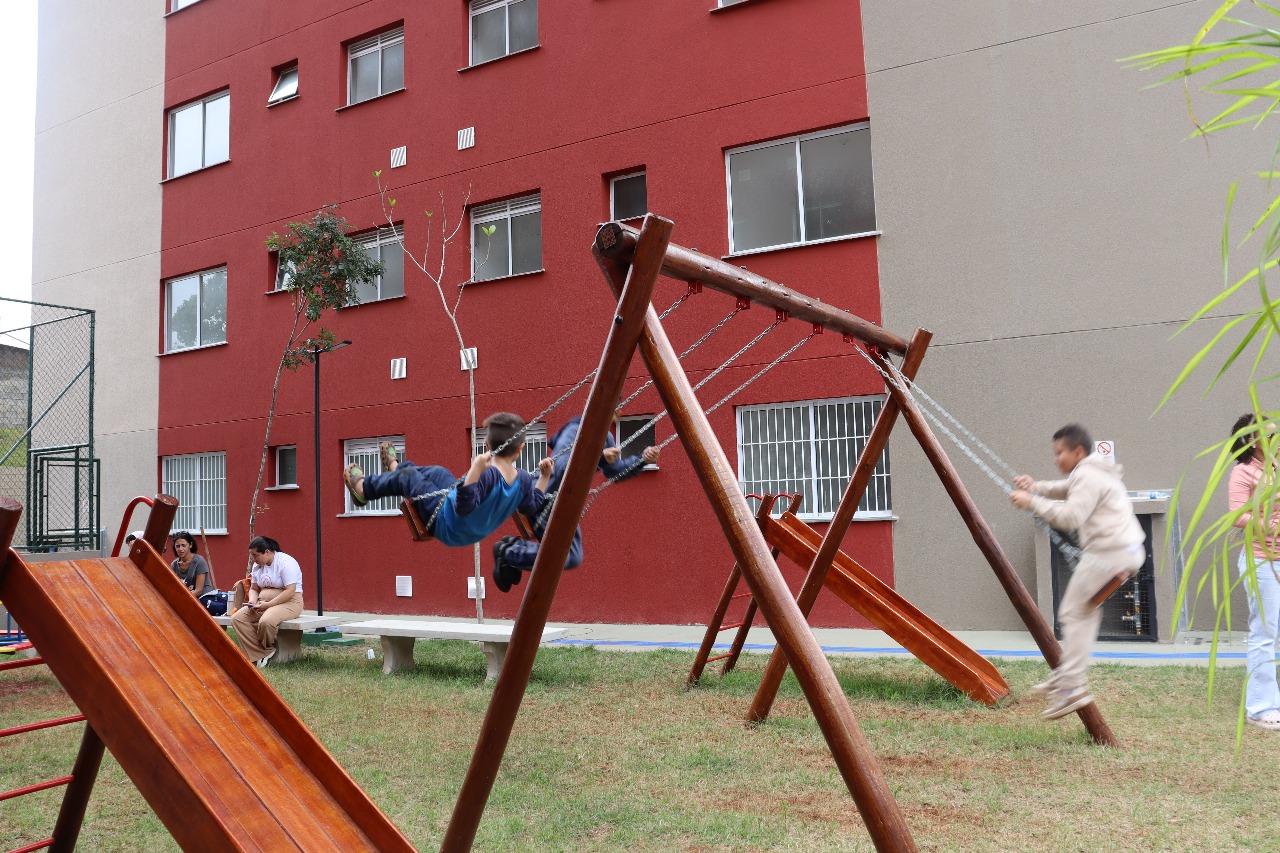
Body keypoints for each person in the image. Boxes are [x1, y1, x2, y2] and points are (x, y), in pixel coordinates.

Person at [1009, 423, 1146, 720]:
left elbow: (1071, 516)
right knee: (1083, 612)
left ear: (1078, 451)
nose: (1055, 459)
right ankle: (1069, 678)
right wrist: (1036, 486)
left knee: (1073, 613)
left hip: (1111, 555)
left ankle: (1071, 685)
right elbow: (1064, 488)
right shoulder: (1092, 470)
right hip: (1124, 551)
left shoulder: (1086, 475)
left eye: (1060, 453)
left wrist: (1032, 501)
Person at [491, 414, 661, 593]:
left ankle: (512, 552)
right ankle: (509, 553)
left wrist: (642, 460)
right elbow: (563, 468)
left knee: (572, 557)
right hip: (544, 497)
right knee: (566, 556)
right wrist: (600, 457)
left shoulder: (606, 438)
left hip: (562, 503)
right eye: (612, 410)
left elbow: (615, 472)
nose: (615, 416)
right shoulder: (575, 431)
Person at [343, 412, 551, 550]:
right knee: (438, 471)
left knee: (409, 478)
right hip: (458, 517)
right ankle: (395, 467)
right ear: (521, 448)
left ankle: (363, 490)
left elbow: (464, 506)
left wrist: (475, 471)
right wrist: (544, 476)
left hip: (446, 523)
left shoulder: (488, 475)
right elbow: (534, 504)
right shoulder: (523, 479)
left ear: (486, 444)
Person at [1227, 412, 1280, 731]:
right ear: (1252, 440)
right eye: (1270, 436)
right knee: (1264, 634)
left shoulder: (1274, 467)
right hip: (1262, 562)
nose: (1275, 440)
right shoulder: (1243, 472)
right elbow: (1237, 516)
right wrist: (1272, 528)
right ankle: (1261, 708)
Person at [230, 535, 304, 668]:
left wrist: (268, 605)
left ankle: (265, 652)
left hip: (289, 602)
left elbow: (290, 591)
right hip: (262, 601)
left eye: (256, 555)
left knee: (266, 621)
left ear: (267, 552)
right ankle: (263, 654)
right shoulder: (257, 566)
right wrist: (252, 601)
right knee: (237, 619)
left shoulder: (286, 562)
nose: (254, 559)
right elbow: (254, 588)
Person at [170, 531, 213, 597]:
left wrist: (183, 599)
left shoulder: (199, 561)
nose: (180, 549)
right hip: (186, 599)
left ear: (190, 545)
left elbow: (199, 590)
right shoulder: (174, 565)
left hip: (203, 600)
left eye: (183, 545)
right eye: (177, 546)